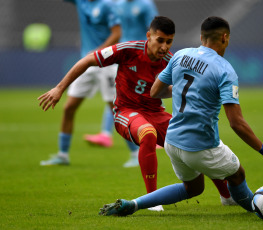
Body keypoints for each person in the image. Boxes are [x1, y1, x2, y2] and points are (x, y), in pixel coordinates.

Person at [98, 16, 263, 217]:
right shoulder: (225, 70)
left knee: (193, 189)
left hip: (172, 142)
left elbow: (154, 91)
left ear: (201, 37)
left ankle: (133, 204)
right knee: (237, 175)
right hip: (201, 146)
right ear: (225, 37)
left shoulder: (181, 55)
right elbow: (236, 123)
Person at [38, 16, 237, 212]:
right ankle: (152, 200)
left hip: (155, 112)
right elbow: (89, 60)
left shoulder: (171, 60)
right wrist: (59, 88)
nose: (164, 47)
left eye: (169, 42)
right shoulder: (128, 50)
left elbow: (169, 89)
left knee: (196, 139)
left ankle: (226, 195)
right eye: (160, 40)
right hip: (126, 112)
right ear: (148, 36)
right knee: (148, 133)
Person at [39, 0, 139, 166]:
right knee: (69, 107)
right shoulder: (81, 2)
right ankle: (62, 155)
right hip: (86, 64)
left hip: (106, 63)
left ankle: (135, 154)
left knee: (116, 111)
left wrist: (99, 52)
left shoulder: (107, 6)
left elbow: (117, 34)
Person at [84, 0, 159, 168]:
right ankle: (106, 133)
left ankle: (153, 133)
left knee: (146, 93)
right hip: (124, 53)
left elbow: (155, 31)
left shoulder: (145, 5)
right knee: (119, 95)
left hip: (143, 54)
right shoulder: (117, 4)